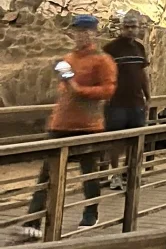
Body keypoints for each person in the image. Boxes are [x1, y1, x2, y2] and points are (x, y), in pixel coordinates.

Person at [17, 14, 118, 239]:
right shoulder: (69, 57)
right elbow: (65, 88)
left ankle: (91, 213)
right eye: (78, 31)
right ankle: (34, 219)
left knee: (89, 172)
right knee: (47, 173)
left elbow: (108, 90)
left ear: (94, 33)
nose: (81, 35)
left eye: (86, 31)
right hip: (61, 123)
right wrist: (66, 84)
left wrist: (78, 89)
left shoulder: (103, 60)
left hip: (88, 125)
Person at [103, 12, 151, 190]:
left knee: (136, 140)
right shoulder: (111, 49)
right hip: (116, 102)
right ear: (122, 28)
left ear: (138, 29)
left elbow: (142, 73)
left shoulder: (140, 48)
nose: (131, 30)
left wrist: (148, 95)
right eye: (127, 27)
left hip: (136, 101)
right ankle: (115, 174)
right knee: (116, 141)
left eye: (134, 27)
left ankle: (131, 173)